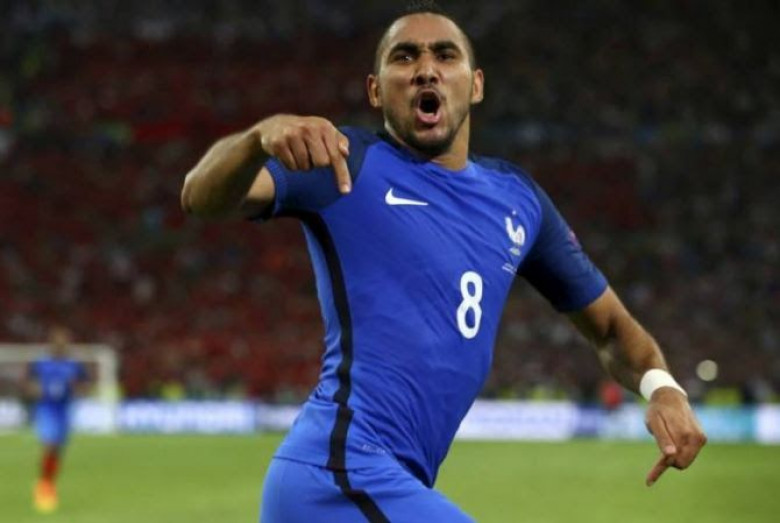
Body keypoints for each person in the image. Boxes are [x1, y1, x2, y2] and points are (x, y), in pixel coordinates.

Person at [181, 3, 707, 521]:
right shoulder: (343, 163)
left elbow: (611, 328)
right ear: (375, 90)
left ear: (475, 85)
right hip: (338, 473)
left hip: (387, 483)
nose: (426, 69)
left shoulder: (518, 201)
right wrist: (256, 140)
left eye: (445, 55)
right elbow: (200, 197)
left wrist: (663, 388)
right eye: (405, 56)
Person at [25, 326, 90, 513]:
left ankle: (47, 481)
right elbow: (29, 383)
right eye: (58, 342)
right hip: (46, 408)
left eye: (64, 342)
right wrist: (35, 390)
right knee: (50, 444)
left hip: (65, 409)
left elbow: (85, 384)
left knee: (57, 449)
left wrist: (78, 390)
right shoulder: (41, 363)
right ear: (51, 344)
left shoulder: (74, 365)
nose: (61, 345)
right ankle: (44, 486)